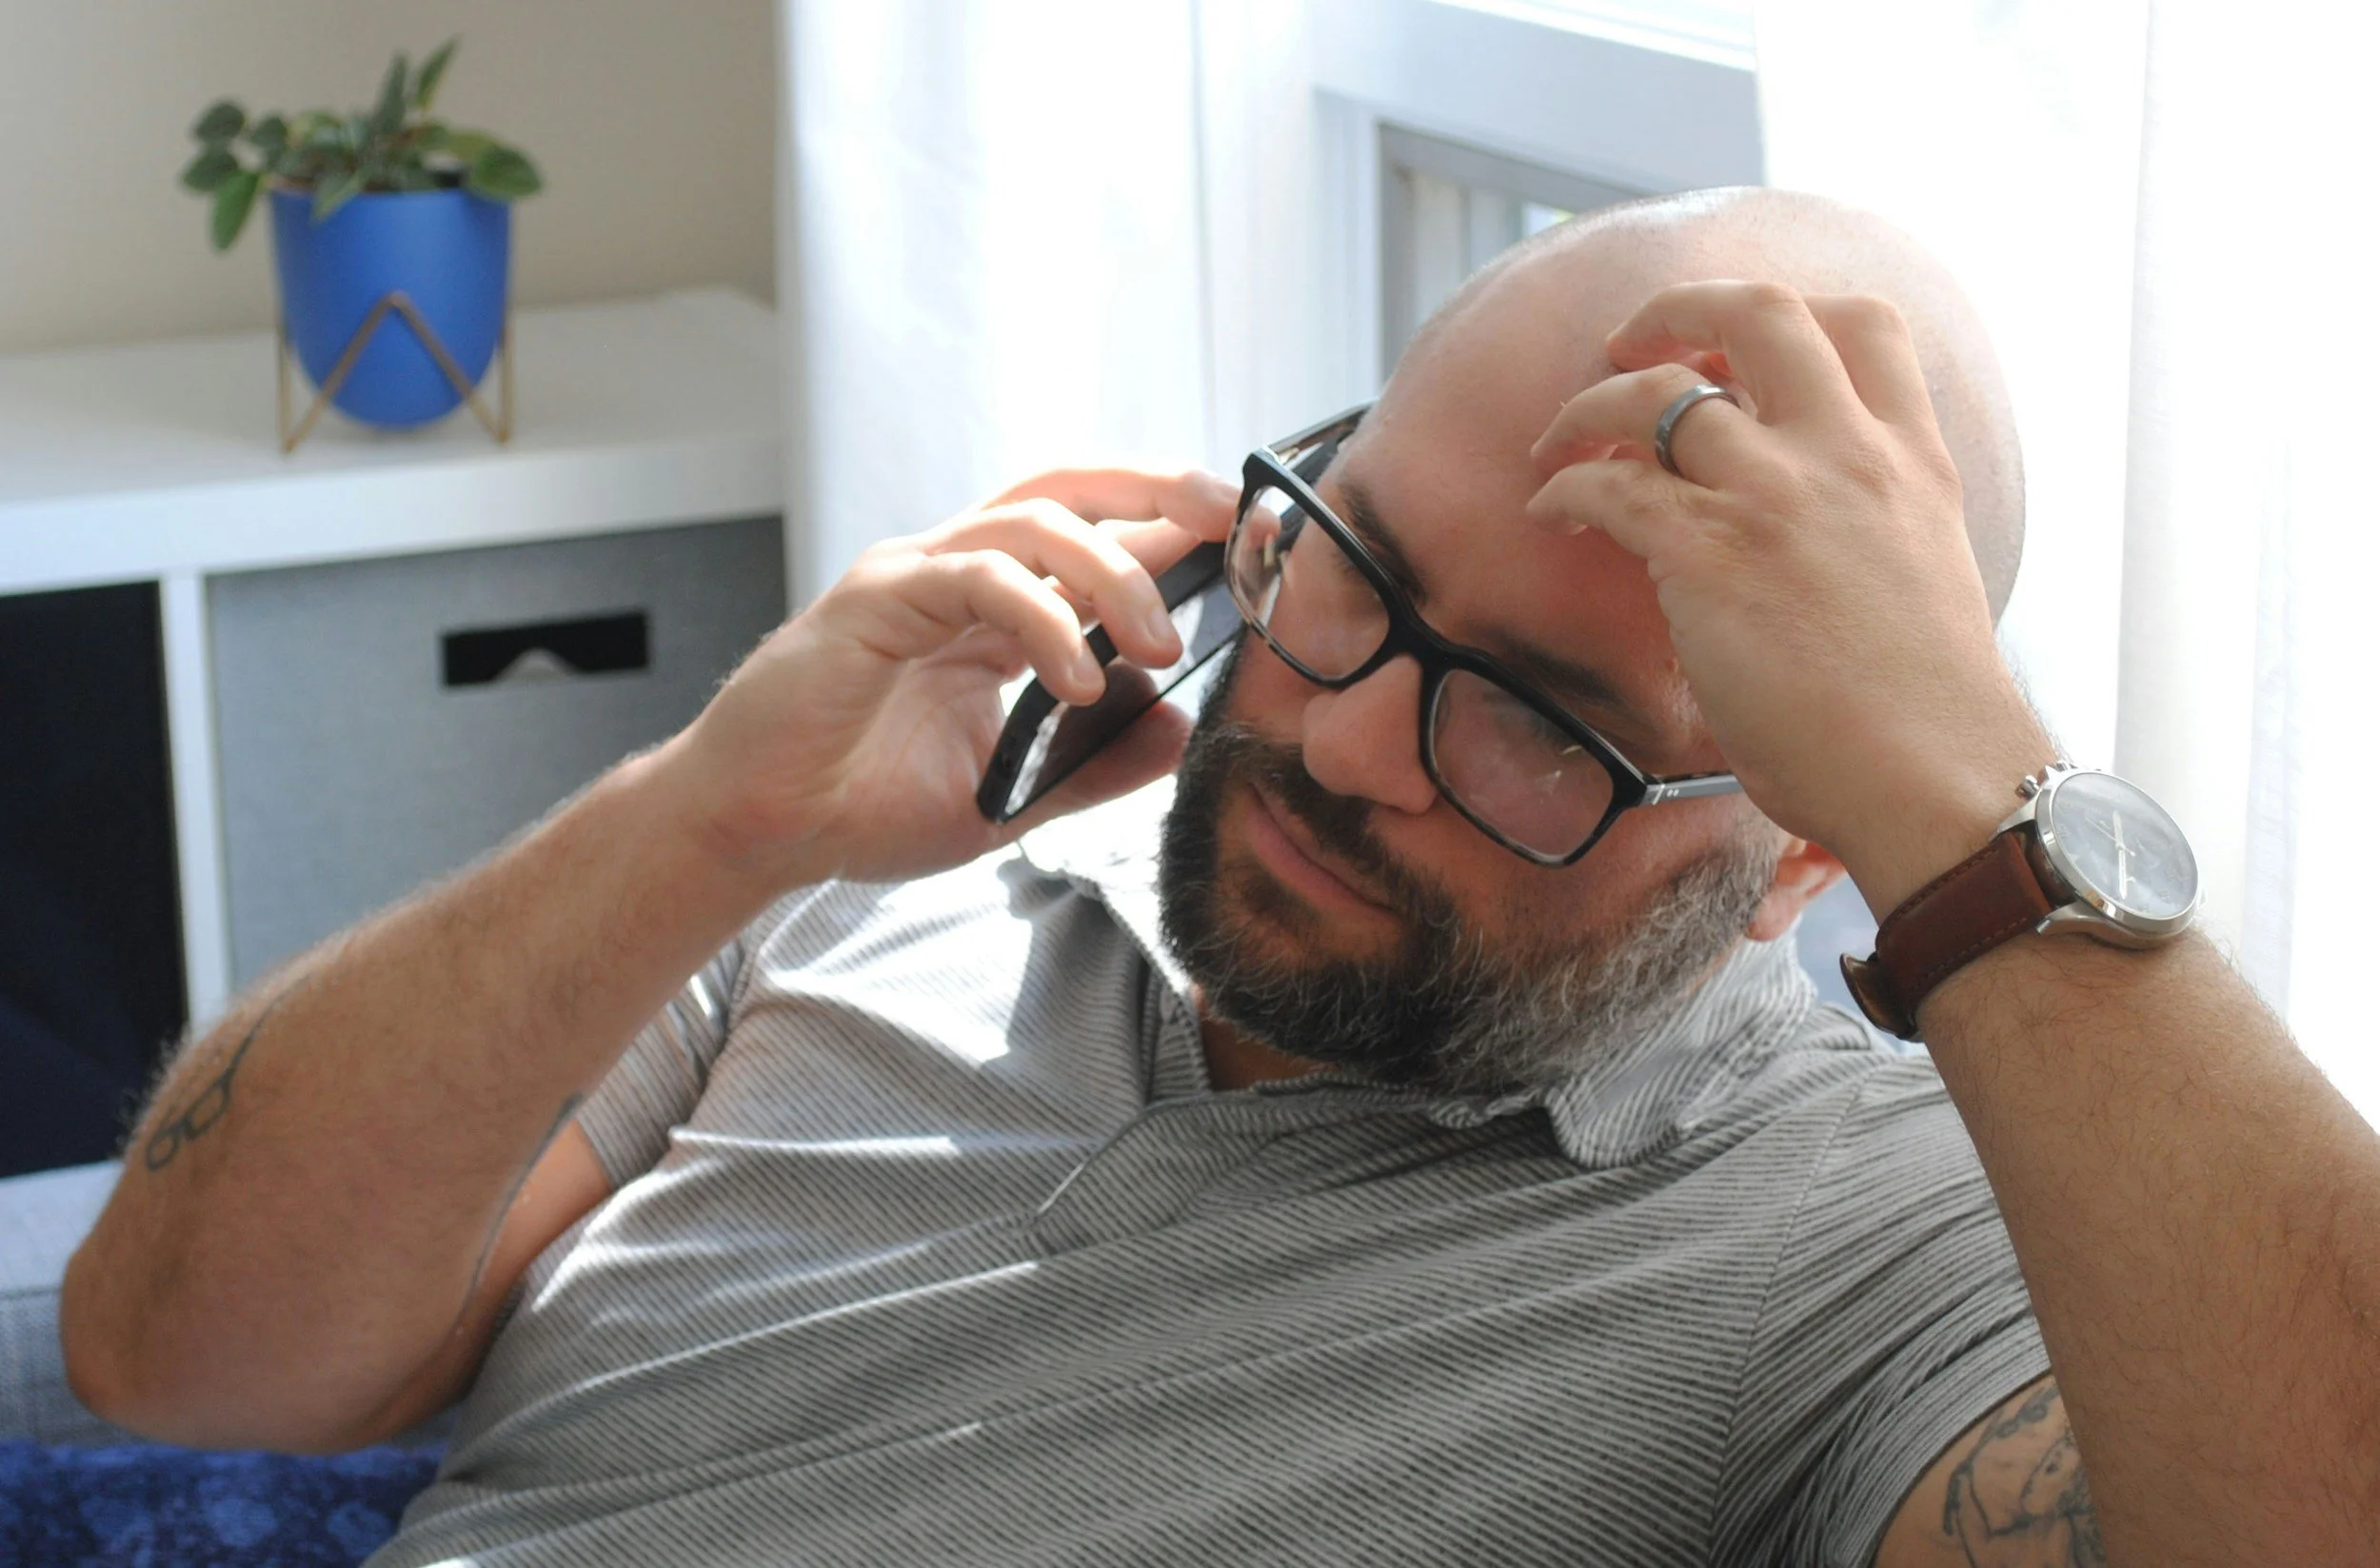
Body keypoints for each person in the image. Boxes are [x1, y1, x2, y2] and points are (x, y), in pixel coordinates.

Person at [59, 188, 2379, 1566]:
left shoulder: (1897, 1247)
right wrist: (701, 812)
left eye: (1537, 721)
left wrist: (1977, 799)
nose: (1349, 731)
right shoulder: (914, 848)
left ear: (1800, 851)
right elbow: (177, 1356)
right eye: (1356, 564)